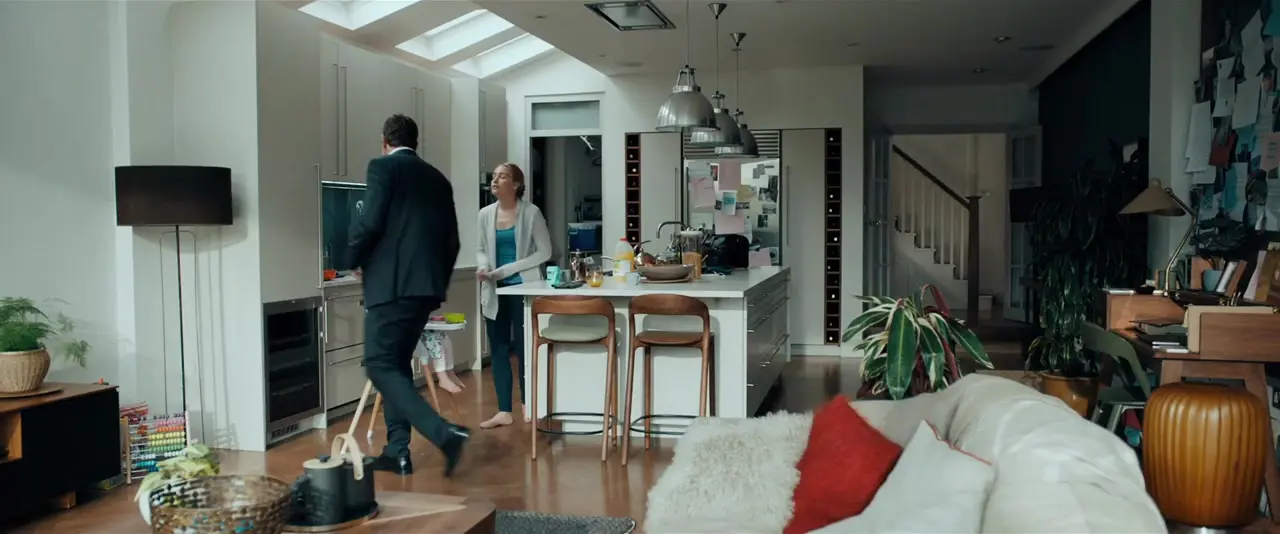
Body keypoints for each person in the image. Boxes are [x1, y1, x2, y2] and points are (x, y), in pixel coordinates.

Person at [348, 114, 469, 477]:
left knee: (379, 365)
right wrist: (434, 284)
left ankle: (444, 434)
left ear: (384, 141)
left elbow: (370, 221)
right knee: (396, 364)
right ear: (415, 142)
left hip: (391, 287)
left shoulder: (383, 168)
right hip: (423, 290)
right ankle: (397, 451)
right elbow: (452, 241)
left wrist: (353, 260)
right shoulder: (437, 179)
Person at [476, 163, 551, 429]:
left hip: (523, 288)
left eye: (502, 176)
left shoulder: (532, 213)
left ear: (516, 184)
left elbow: (545, 252)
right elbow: (481, 248)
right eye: (494, 176)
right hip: (494, 289)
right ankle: (504, 411)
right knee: (498, 349)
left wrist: (506, 270)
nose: (495, 180)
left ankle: (528, 403)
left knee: (524, 347)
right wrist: (484, 266)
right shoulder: (485, 214)